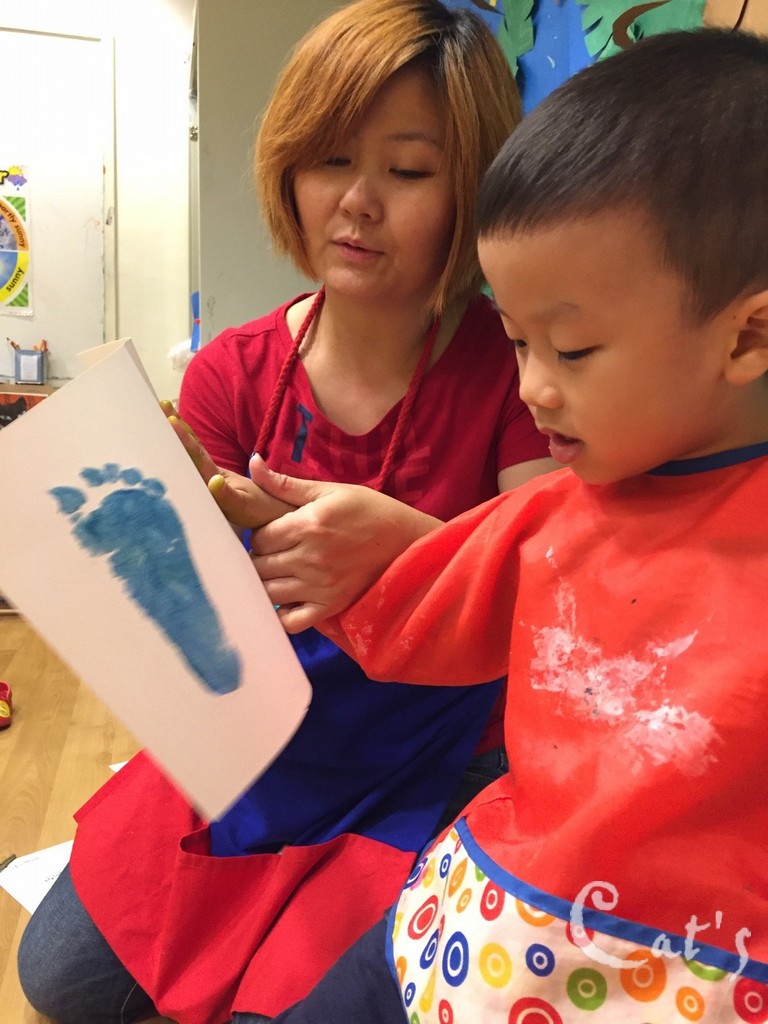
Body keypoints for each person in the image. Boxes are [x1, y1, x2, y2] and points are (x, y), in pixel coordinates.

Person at [17, 3, 553, 1023]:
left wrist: (405, 548)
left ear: (471, 192)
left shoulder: (515, 365)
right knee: (61, 978)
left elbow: (557, 589)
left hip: (436, 753)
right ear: (288, 170)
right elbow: (197, 629)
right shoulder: (232, 374)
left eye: (408, 170)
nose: (356, 202)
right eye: (330, 160)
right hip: (255, 736)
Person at [249, 25, 768, 1024]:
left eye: (570, 351)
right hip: (481, 912)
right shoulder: (548, 513)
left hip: (683, 977)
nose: (533, 387)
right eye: (519, 341)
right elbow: (405, 606)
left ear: (747, 334)